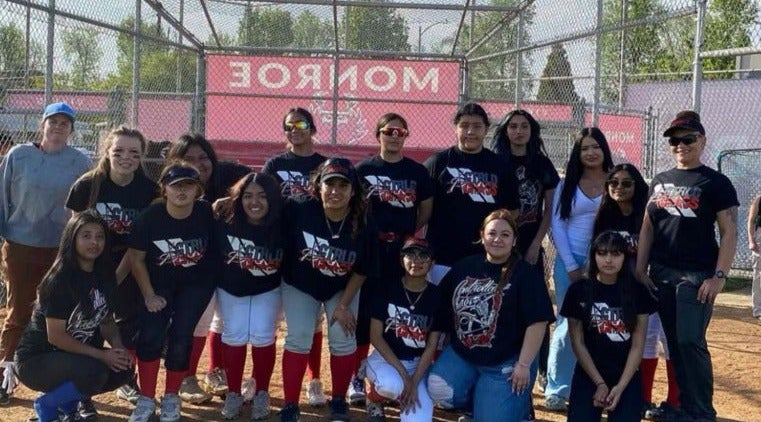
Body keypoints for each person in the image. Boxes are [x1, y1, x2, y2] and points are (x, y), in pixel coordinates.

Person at [636, 111, 738, 422]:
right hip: (662, 273)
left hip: (697, 276)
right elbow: (648, 227)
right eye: (674, 141)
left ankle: (701, 410)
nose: (681, 145)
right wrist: (640, 269)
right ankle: (682, 407)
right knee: (674, 343)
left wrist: (719, 276)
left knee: (690, 340)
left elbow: (729, 231)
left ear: (702, 140)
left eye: (688, 139)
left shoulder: (716, 182)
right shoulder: (660, 181)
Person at [0, 102, 92, 405]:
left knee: (60, 312)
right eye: (53, 121)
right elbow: (2, 196)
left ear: (71, 130)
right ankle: (6, 373)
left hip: (60, 247)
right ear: (42, 125)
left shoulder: (80, 161)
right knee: (19, 309)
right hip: (21, 244)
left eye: (65, 123)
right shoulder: (18, 155)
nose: (57, 127)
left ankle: (59, 378)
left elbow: (85, 206)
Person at [427, 209, 554, 422]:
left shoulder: (525, 274)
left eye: (505, 235)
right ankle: (477, 403)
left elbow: (538, 323)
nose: (497, 239)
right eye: (492, 233)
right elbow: (442, 310)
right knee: (438, 387)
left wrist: (523, 365)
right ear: (482, 235)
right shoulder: (464, 267)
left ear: (514, 240)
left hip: (505, 361)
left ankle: (517, 410)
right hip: (465, 354)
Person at [66, 126, 158, 410]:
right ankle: (81, 394)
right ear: (106, 152)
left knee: (127, 325)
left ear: (142, 156)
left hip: (130, 265)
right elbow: (75, 234)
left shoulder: (149, 191)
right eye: (118, 151)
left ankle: (125, 379)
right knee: (87, 327)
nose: (126, 157)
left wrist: (115, 278)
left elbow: (140, 244)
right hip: (91, 265)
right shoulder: (88, 185)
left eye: (134, 152)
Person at [278, 158, 377, 422]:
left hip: (341, 286)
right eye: (329, 184)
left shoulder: (362, 219)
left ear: (353, 191)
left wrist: (343, 305)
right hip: (300, 283)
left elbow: (363, 268)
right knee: (299, 336)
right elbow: (264, 213)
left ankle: (339, 400)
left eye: (343, 185)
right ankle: (290, 404)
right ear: (318, 187)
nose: (335, 191)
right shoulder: (298, 208)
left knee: (343, 336)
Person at [15, 211, 133, 422]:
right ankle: (47, 406)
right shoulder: (60, 280)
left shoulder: (105, 275)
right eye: (86, 235)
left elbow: (106, 320)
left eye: (100, 236)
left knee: (123, 369)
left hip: (71, 357)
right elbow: (56, 337)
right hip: (36, 360)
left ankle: (68, 409)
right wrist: (102, 355)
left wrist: (118, 347)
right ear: (72, 239)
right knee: (95, 370)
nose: (94, 242)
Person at [352, 113, 434, 408]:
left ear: (406, 136)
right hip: (371, 249)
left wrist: (408, 234)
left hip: (403, 251)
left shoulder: (417, 172)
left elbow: (425, 210)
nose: (394, 136)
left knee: (396, 311)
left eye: (401, 132)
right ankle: (357, 376)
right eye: (389, 131)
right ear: (378, 135)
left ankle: (391, 371)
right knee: (365, 314)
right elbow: (353, 208)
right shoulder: (363, 170)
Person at [126, 161, 216, 422]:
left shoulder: (205, 213)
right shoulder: (150, 217)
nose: (182, 191)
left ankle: (171, 396)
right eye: (175, 185)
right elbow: (136, 259)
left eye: (189, 185)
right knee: (151, 334)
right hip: (159, 284)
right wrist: (148, 295)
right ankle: (146, 397)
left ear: (198, 190)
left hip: (195, 285)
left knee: (182, 337)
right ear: (164, 189)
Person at [591, 163, 680, 420]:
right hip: (625, 290)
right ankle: (643, 399)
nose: (619, 187)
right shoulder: (605, 215)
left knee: (669, 339)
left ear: (637, 185)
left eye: (626, 183)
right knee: (645, 340)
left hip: (653, 284)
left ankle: (675, 401)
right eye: (614, 183)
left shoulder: (648, 213)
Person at [166, 134, 251, 403]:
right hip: (187, 269)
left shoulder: (225, 176)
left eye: (203, 157)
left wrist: (233, 197)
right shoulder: (172, 186)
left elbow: (254, 180)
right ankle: (186, 377)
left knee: (221, 320)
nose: (198, 163)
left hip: (222, 264)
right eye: (189, 158)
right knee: (195, 322)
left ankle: (215, 371)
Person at [488, 109, 560, 398]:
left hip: (530, 245)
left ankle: (541, 370)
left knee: (537, 307)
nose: (518, 131)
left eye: (524, 126)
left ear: (532, 131)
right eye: (513, 126)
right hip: (498, 244)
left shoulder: (541, 164)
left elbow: (549, 211)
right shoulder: (495, 161)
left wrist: (534, 245)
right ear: (505, 131)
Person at [262, 107, 329, 406]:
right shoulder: (275, 164)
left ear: (312, 129)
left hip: (313, 249)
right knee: (269, 320)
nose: (294, 130)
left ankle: (314, 380)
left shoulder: (323, 165)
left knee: (312, 322)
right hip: (280, 247)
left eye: (301, 125)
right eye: (289, 126)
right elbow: (262, 200)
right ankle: (260, 382)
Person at [545, 127, 613, 411]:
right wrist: (572, 265)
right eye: (585, 148)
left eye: (596, 147)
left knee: (603, 323)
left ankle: (599, 386)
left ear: (604, 149)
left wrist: (598, 263)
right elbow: (557, 224)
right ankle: (557, 389)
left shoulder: (615, 179)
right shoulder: (567, 183)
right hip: (569, 261)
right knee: (568, 323)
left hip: (606, 261)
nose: (591, 153)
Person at [562, 231, 654, 421]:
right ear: (593, 256)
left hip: (626, 374)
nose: (609, 260)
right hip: (589, 373)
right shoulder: (578, 291)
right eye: (602, 253)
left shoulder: (638, 292)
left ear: (625, 257)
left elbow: (638, 346)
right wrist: (599, 383)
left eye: (616, 253)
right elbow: (578, 343)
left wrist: (620, 387)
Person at [215, 172, 284, 420]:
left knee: (263, 335)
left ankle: (262, 392)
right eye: (248, 196)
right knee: (234, 335)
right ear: (238, 198)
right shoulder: (225, 219)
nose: (255, 202)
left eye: (262, 196)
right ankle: (234, 393)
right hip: (231, 288)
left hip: (269, 288)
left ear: (273, 198)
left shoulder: (283, 222)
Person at [424, 103, 519, 278]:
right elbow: (423, 209)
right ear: (455, 128)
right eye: (464, 125)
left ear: (486, 130)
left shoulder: (500, 167)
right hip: (441, 258)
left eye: (477, 126)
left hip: (485, 258)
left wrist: (496, 243)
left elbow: (512, 211)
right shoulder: (437, 163)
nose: (470, 132)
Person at [365, 237, 442, 422]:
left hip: (418, 366)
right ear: (401, 260)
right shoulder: (386, 288)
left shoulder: (437, 296)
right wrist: (405, 378)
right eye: (410, 254)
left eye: (423, 256)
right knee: (391, 386)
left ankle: (403, 394)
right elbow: (375, 337)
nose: (416, 260)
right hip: (386, 361)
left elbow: (431, 346)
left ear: (432, 263)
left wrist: (414, 382)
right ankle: (373, 398)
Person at [748, 193, 761, 320]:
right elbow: (751, 221)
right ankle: (758, 309)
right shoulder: (759, 199)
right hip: (760, 237)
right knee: (759, 275)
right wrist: (751, 240)